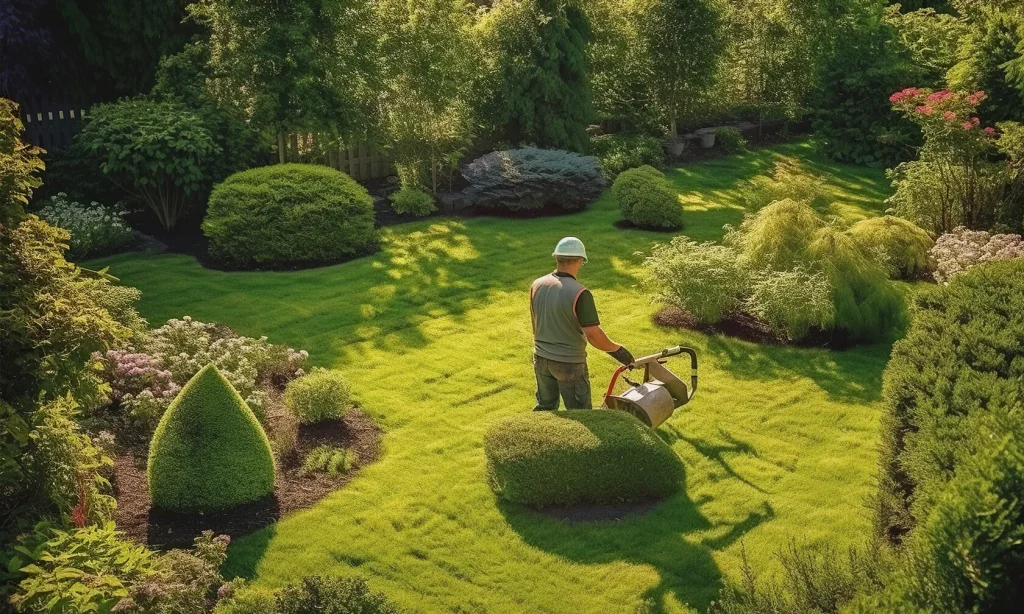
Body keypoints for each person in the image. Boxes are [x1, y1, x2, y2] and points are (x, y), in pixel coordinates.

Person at [529, 237, 634, 410]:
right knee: (580, 414)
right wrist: (618, 351)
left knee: (545, 408)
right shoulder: (580, 293)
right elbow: (593, 335)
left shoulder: (537, 284)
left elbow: (535, 323)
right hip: (569, 364)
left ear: (557, 258)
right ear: (580, 260)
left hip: (541, 359)